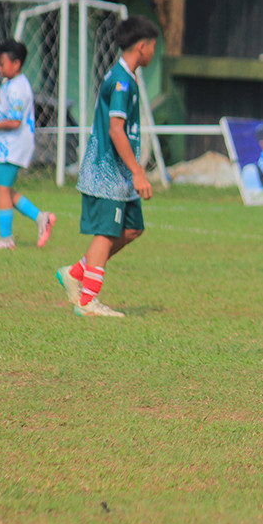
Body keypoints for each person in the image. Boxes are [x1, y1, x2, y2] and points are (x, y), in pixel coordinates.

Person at [55, 16, 158, 318]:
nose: (154, 52)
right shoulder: (122, 82)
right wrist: (138, 171)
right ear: (142, 47)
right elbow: (116, 129)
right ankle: (88, 301)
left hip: (122, 173)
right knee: (106, 232)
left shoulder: (127, 77)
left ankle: (76, 272)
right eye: (153, 46)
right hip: (108, 171)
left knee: (132, 228)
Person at [0, 40, 56, 250]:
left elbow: (15, 122)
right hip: (6, 146)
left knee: (2, 189)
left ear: (16, 63)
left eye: (2, 64)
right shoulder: (9, 84)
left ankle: (5, 239)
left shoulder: (18, 88)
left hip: (12, 146)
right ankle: (41, 218)